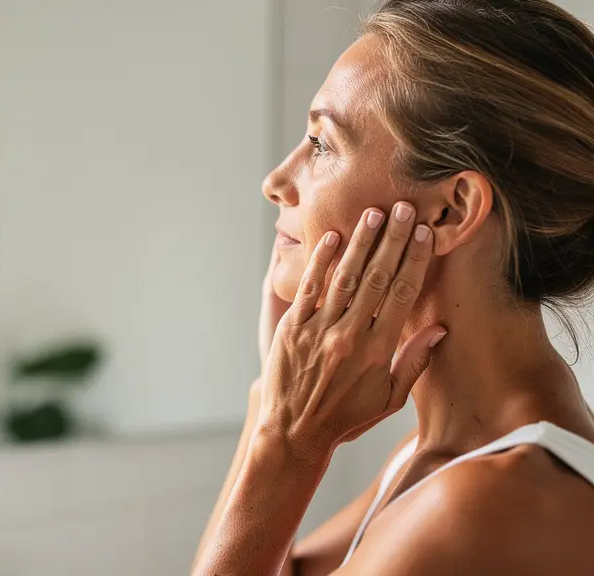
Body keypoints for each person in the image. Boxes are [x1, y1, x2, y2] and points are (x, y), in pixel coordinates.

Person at [191, 1, 594, 574]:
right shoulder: (454, 449)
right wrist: (273, 397)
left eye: (321, 143)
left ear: (453, 210)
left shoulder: (479, 504)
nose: (277, 180)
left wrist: (288, 443)